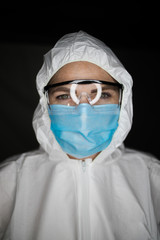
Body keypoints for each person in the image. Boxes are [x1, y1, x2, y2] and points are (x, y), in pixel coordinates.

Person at [0, 30, 159, 240]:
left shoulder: (151, 176)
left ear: (123, 101)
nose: (83, 110)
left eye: (101, 94)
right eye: (65, 95)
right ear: (45, 104)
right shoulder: (10, 180)